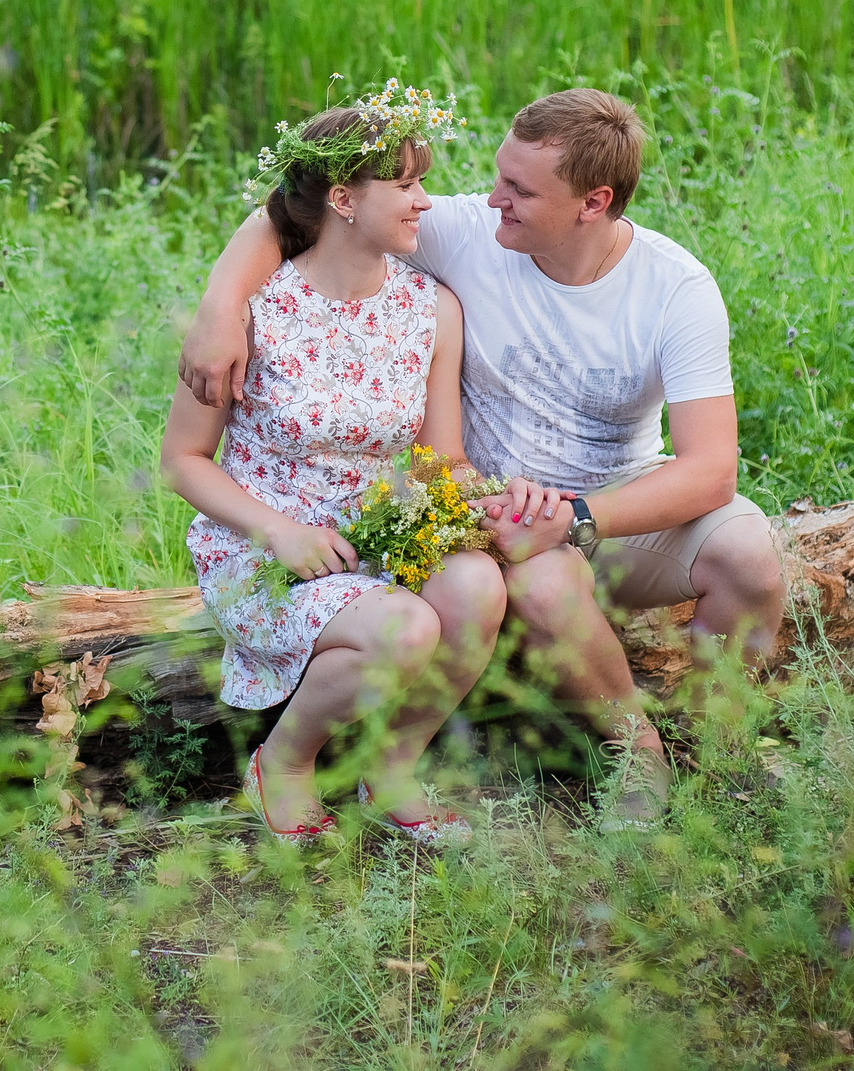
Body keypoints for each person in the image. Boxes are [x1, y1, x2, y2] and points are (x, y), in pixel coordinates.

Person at [179, 87, 783, 828]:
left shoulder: (673, 288)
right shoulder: (467, 231)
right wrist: (220, 303)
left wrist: (577, 515)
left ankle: (718, 755)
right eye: (499, 175)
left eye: (519, 189)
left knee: (750, 556)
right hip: (499, 522)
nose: (487, 197)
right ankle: (638, 750)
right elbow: (295, 206)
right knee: (533, 582)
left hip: (611, 506)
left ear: (593, 204)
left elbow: (712, 470)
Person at [161, 89, 508, 846]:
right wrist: (280, 531)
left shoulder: (432, 309)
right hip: (265, 552)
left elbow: (439, 459)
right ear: (343, 199)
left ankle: (393, 766)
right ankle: (283, 764)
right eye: (405, 184)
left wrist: (487, 503)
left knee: (478, 585)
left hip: (378, 541)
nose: (424, 202)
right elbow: (182, 461)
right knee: (408, 627)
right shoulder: (253, 310)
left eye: (422, 181)